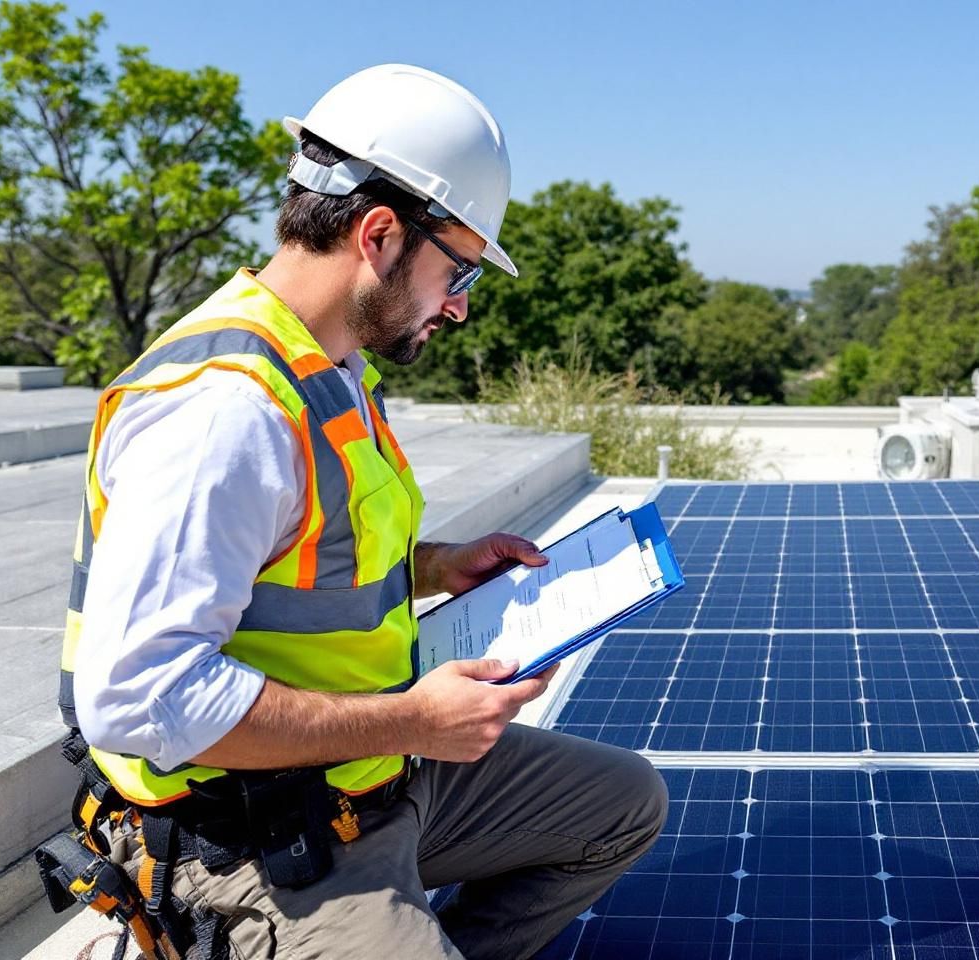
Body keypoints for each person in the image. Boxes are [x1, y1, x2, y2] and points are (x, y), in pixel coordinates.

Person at [54, 64, 667, 959]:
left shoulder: (326, 367)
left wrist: (432, 567)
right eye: (459, 270)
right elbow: (139, 697)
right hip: (251, 837)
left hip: (371, 774)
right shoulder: (225, 409)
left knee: (624, 806)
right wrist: (413, 721)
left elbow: (292, 555)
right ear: (379, 235)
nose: (458, 307)